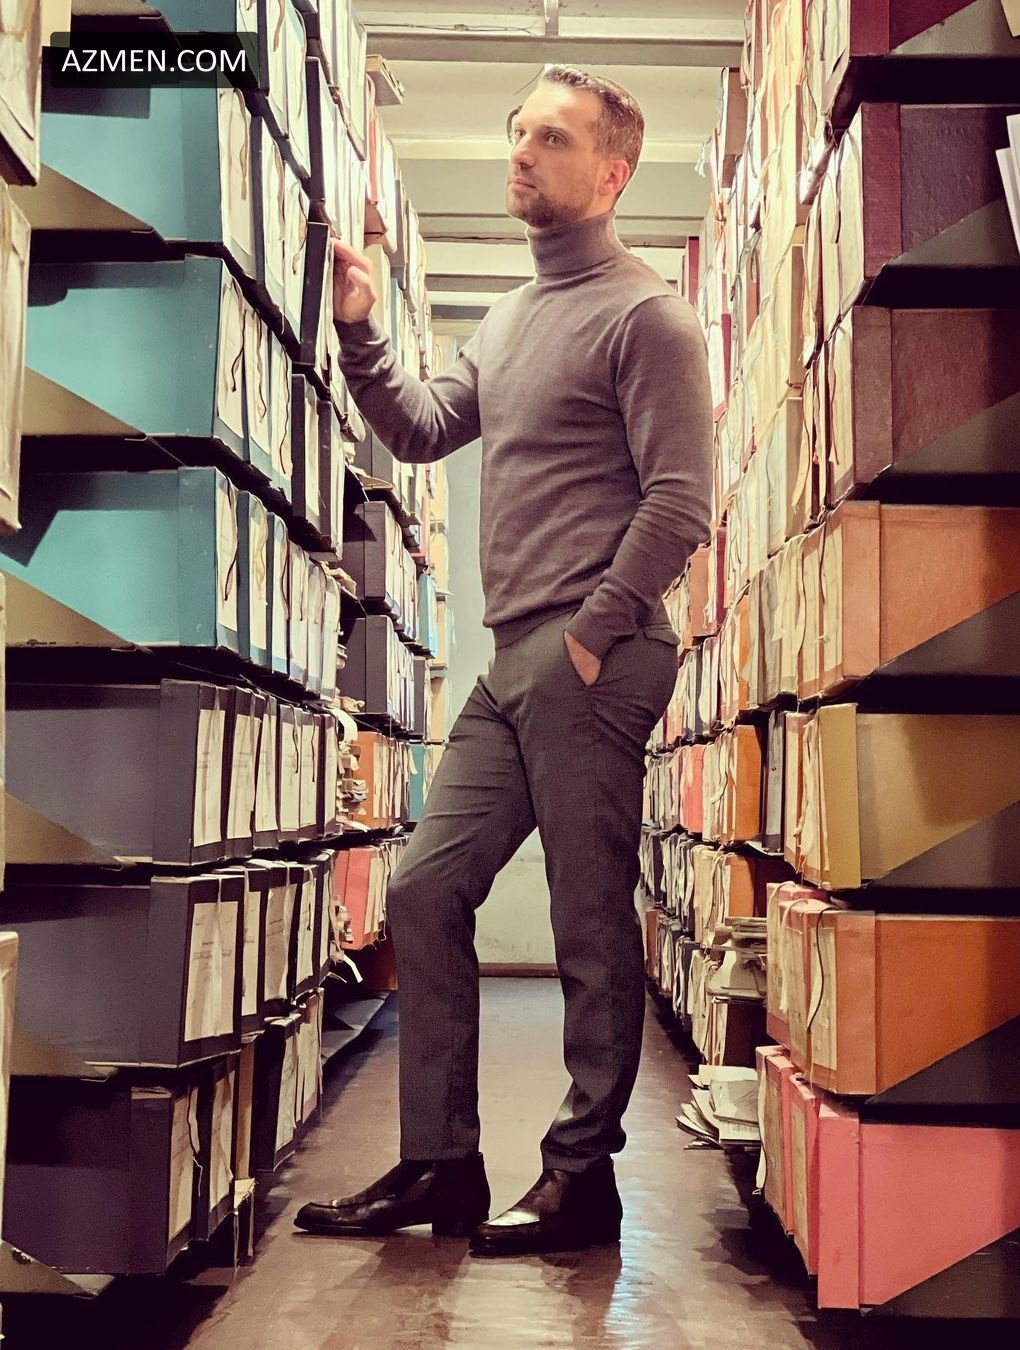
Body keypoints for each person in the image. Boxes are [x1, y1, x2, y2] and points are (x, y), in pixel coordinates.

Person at [296, 64, 713, 1258]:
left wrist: (591, 632)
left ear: (613, 173)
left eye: (552, 137)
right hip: (514, 656)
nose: (522, 151)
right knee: (426, 890)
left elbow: (682, 501)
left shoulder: (648, 318)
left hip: (592, 653)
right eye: (517, 131)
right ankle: (441, 1163)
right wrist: (360, 325)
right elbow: (424, 426)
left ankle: (582, 1177)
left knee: (586, 919)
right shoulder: (512, 317)